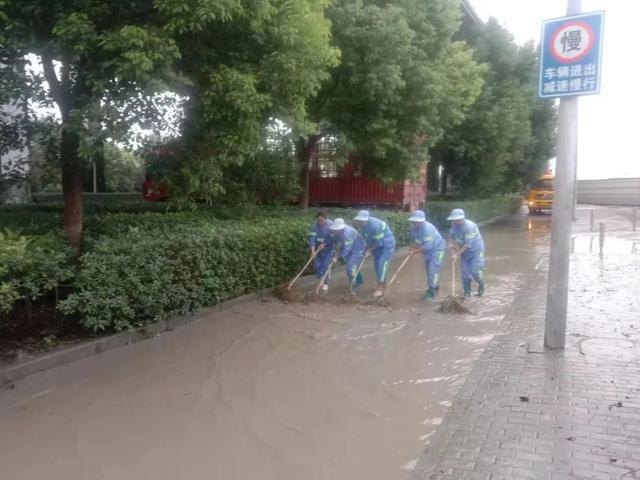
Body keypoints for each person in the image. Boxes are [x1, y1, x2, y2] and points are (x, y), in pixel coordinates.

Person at [354, 210, 396, 298]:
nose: (360, 222)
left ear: (367, 219)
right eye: (359, 221)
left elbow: (379, 243)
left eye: (362, 221)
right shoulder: (361, 226)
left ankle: (380, 288)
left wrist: (370, 250)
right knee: (377, 266)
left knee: (381, 264)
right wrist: (367, 249)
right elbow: (367, 238)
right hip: (376, 246)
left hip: (387, 245)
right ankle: (382, 284)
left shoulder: (375, 226)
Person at [409, 210, 446, 300]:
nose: (415, 223)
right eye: (414, 221)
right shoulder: (414, 228)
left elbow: (428, 246)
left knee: (432, 271)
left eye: (417, 221)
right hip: (428, 251)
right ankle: (435, 286)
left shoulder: (427, 229)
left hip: (437, 250)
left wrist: (415, 252)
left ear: (422, 220)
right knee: (429, 271)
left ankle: (432, 292)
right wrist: (413, 250)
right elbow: (416, 241)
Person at [447, 208, 485, 297]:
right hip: (464, 251)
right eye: (454, 220)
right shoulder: (453, 225)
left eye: (458, 220)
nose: (456, 222)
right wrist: (450, 244)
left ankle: (481, 285)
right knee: (465, 274)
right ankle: (467, 294)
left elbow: (467, 246)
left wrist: (456, 254)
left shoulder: (469, 227)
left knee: (475, 271)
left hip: (476, 251)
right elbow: (450, 236)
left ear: (462, 218)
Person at [329, 218, 366, 288]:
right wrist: (335, 253)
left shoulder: (347, 233)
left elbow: (346, 249)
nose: (336, 231)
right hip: (347, 245)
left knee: (351, 267)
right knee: (352, 265)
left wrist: (337, 257)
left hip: (357, 246)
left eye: (337, 229)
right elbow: (336, 244)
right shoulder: (336, 231)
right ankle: (360, 280)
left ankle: (353, 287)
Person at [309, 211, 334, 292]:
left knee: (325, 266)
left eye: (322, 220)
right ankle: (321, 279)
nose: (320, 222)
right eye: (319, 220)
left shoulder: (331, 225)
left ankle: (326, 283)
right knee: (317, 266)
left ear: (326, 220)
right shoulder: (314, 227)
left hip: (328, 249)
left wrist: (325, 244)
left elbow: (332, 238)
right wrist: (313, 252)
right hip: (317, 249)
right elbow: (312, 239)